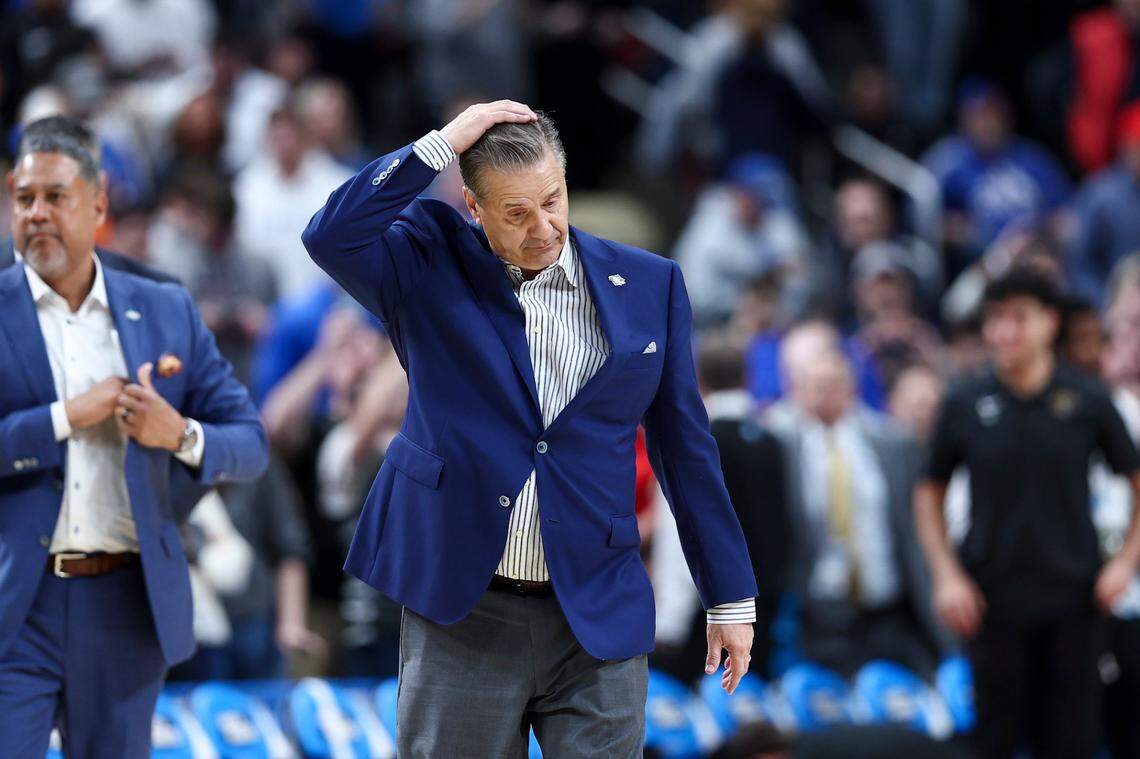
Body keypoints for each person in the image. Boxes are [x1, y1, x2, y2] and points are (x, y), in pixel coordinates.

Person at [302, 100, 758, 756]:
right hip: (464, 604)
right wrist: (444, 141)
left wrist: (730, 595)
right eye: (515, 212)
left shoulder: (651, 285)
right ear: (472, 206)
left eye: (553, 199)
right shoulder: (428, 262)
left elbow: (685, 448)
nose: (543, 227)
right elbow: (331, 235)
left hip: (597, 606)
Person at [0, 115, 267, 757]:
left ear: (97, 206)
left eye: (54, 197)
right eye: (23, 198)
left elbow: (250, 440)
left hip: (127, 600)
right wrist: (67, 417)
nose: (36, 213)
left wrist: (180, 434)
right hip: (17, 603)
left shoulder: (166, 307)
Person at [915, 268, 1140, 758]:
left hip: (1076, 603)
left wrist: (1124, 563)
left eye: (1019, 317)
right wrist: (946, 574)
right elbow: (928, 492)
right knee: (994, 743)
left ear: (1049, 323)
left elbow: (1136, 479)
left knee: (1073, 744)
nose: (1004, 331)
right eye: (995, 319)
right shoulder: (965, 400)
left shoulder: (1086, 398)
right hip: (991, 603)